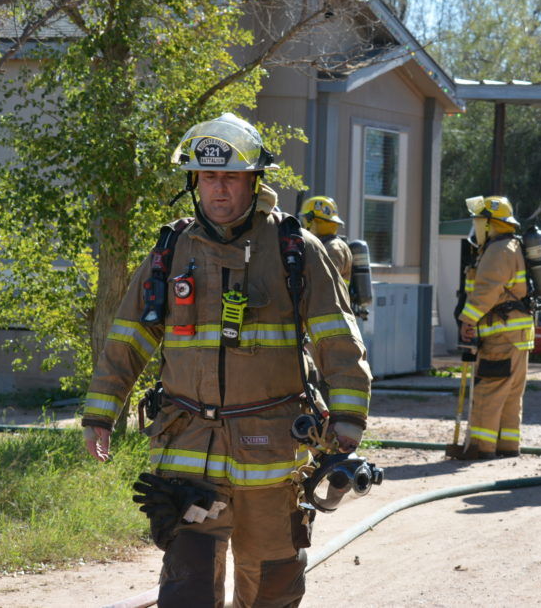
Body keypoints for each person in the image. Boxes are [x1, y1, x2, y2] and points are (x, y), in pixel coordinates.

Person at [82, 113, 372, 607]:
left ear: (253, 180)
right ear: (195, 181)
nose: (219, 189)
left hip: (272, 456)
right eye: (209, 176)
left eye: (231, 177)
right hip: (188, 451)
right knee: (187, 590)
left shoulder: (295, 250)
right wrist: (100, 415)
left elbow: (338, 340)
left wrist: (348, 418)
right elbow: (127, 339)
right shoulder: (170, 252)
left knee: (271, 589)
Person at [455, 195, 534, 459]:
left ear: (490, 224)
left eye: (479, 222)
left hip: (500, 334)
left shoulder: (498, 250)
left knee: (488, 390)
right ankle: (507, 445)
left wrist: (468, 320)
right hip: (517, 334)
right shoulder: (512, 245)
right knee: (510, 393)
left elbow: (487, 290)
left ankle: (481, 447)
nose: (476, 227)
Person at [300, 195, 352, 283]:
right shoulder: (321, 245)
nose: (303, 224)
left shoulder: (334, 247)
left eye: (304, 219)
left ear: (312, 221)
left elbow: (324, 280)